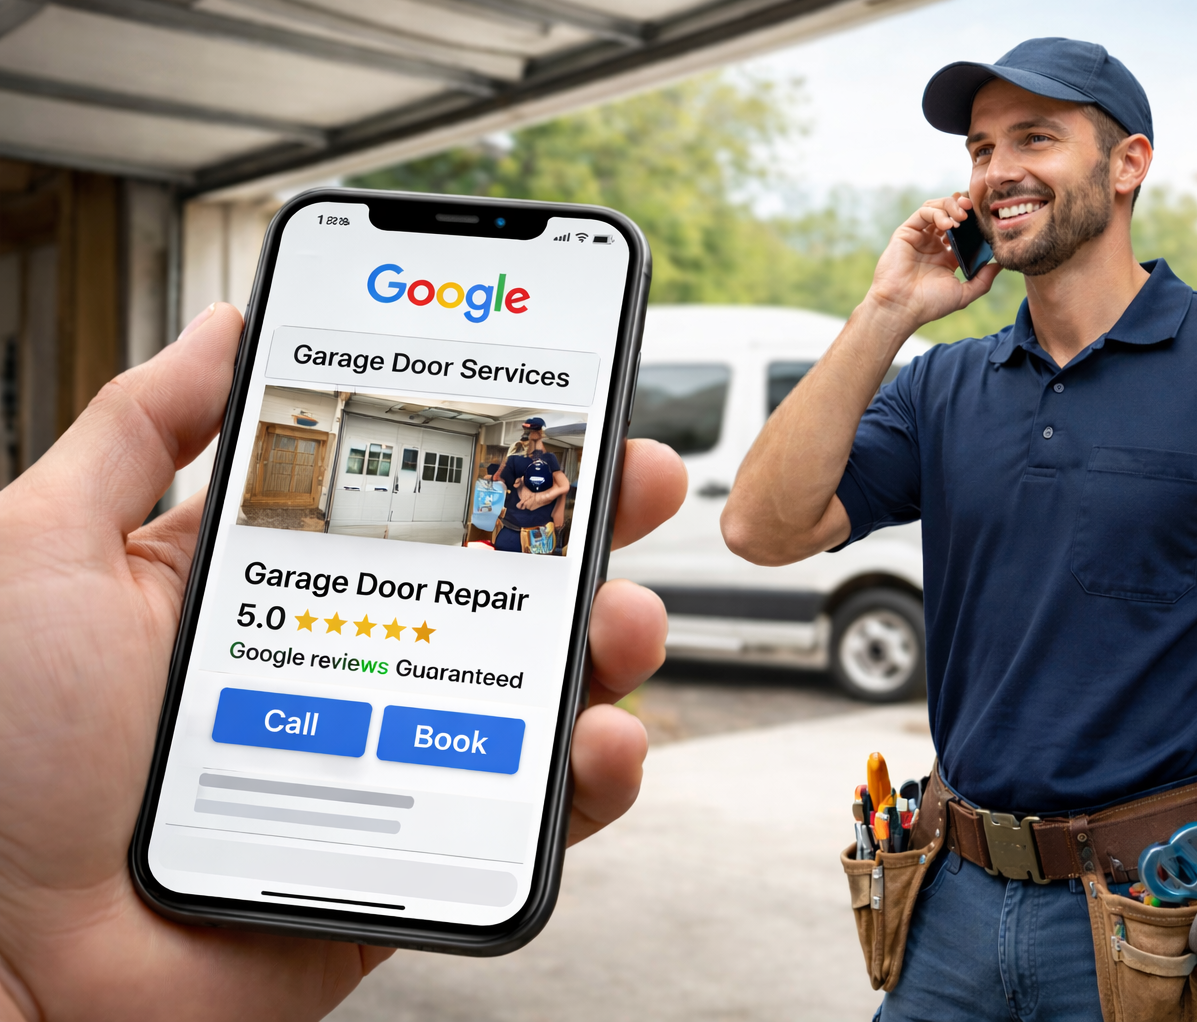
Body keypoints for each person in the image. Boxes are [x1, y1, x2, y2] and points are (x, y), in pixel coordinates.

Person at [721, 37, 1197, 1021]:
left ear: (1129, 164)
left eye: (1037, 136)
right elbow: (761, 528)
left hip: (1158, 918)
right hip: (947, 906)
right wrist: (890, 307)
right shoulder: (944, 386)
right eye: (981, 149)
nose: (998, 171)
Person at [0, 303, 686, 1020]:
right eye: (530, 433)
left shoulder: (544, 460)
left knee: (520, 623)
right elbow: (516, 486)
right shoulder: (510, 457)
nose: (533, 440)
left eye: (539, 432)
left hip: (526, 540)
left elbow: (564, 491)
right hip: (503, 529)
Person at [496, 418, 570, 555]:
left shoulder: (549, 459)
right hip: (513, 530)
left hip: (539, 532)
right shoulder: (514, 459)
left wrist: (541, 499)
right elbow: (501, 480)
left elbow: (564, 486)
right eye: (528, 431)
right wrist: (520, 486)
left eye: (534, 431)